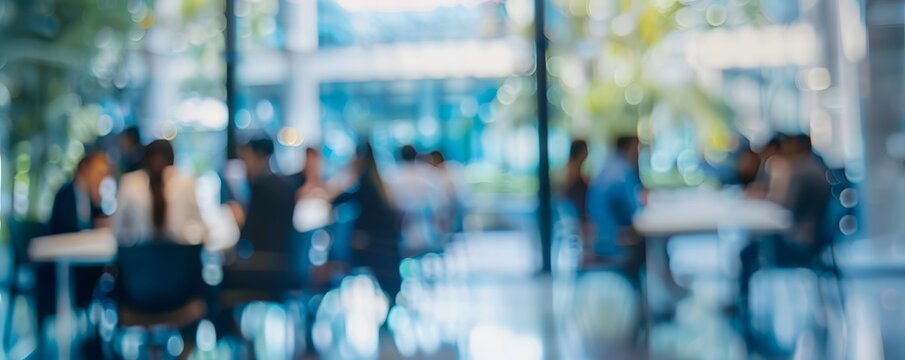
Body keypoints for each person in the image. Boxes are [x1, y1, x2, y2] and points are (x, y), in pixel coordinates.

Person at [37, 150, 112, 358]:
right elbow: (69, 231)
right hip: (60, 271)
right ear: (83, 168)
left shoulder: (89, 197)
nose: (103, 177)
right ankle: (87, 345)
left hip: (80, 269)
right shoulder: (66, 194)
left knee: (108, 274)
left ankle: (97, 342)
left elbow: (101, 222)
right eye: (99, 171)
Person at [221, 137, 297, 294]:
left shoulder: (261, 187)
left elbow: (248, 237)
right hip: (285, 267)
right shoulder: (287, 185)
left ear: (258, 156)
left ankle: (227, 318)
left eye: (246, 158)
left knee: (218, 277)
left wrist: (239, 218)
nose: (245, 166)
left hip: (264, 268)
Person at [332, 143, 402, 298]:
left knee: (337, 250)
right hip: (383, 247)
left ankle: (337, 291)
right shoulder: (377, 184)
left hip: (372, 247)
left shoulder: (365, 185)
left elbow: (336, 199)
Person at [113, 139, 208, 245]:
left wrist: (189, 236)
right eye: (154, 158)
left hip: (178, 249)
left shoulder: (185, 183)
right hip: (141, 250)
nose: (157, 163)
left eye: (162, 159)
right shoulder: (131, 183)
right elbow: (118, 227)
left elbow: (197, 220)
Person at [586, 136, 645, 281]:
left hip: (598, 238)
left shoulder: (606, 167)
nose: (638, 154)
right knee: (649, 245)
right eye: (637, 149)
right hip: (613, 242)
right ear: (629, 148)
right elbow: (636, 211)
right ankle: (651, 293)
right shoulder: (623, 171)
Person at [386, 145, 449, 254]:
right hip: (431, 232)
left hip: (400, 235)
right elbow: (441, 203)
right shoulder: (429, 173)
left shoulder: (392, 176)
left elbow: (391, 205)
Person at [562, 139, 590, 220]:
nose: (588, 153)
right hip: (576, 214)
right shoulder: (573, 170)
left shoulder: (572, 168)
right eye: (586, 149)